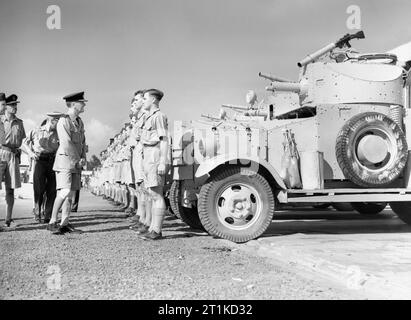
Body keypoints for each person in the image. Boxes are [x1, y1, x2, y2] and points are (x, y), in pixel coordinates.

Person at [48, 92, 87, 235]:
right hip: (65, 161)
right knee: (64, 191)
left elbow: (83, 142)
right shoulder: (63, 121)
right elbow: (66, 143)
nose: (84, 104)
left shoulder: (79, 121)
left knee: (70, 194)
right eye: (82, 102)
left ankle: (64, 222)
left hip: (75, 162)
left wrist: (83, 157)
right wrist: (78, 159)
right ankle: (52, 221)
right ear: (73, 104)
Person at [137, 89, 168, 240]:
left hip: (155, 154)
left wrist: (163, 161)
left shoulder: (159, 117)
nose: (143, 101)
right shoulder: (148, 117)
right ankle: (152, 228)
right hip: (147, 154)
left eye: (145, 98)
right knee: (150, 193)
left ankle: (157, 230)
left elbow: (164, 140)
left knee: (156, 194)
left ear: (154, 100)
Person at [22, 112, 63, 223]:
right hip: (39, 161)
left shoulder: (58, 133)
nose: (60, 123)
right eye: (58, 120)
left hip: (53, 162)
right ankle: (37, 213)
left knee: (51, 190)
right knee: (39, 189)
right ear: (52, 120)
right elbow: (23, 142)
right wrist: (30, 153)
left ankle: (48, 215)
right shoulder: (36, 130)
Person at [0, 94, 26, 229]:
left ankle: (8, 219)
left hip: (13, 156)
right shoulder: (0, 120)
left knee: (10, 189)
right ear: (6, 106)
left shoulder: (19, 123)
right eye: (13, 105)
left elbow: (23, 141)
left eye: (16, 105)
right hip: (1, 153)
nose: (15, 107)